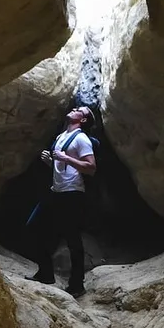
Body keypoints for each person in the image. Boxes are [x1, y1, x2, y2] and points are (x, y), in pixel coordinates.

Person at [27, 104, 97, 297]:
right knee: (34, 227)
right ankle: (46, 273)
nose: (75, 109)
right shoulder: (60, 137)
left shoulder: (81, 139)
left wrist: (66, 158)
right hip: (56, 192)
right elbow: (63, 166)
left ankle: (77, 285)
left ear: (82, 120)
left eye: (79, 110)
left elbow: (91, 167)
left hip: (72, 194)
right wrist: (51, 162)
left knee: (72, 238)